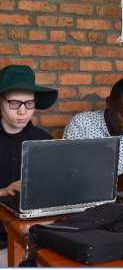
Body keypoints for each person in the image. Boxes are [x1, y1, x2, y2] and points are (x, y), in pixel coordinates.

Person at [0, 64, 58, 267]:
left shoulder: (44, 141)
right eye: (14, 103)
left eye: (29, 103)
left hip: (38, 237)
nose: (23, 111)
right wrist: (3, 191)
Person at [63, 78, 123, 192]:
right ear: (109, 103)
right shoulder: (81, 125)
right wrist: (114, 184)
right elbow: (69, 177)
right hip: (88, 202)